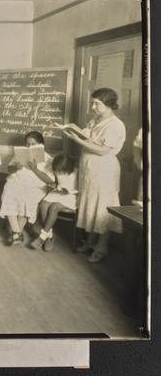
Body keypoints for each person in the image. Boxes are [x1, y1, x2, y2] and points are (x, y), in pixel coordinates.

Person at [59, 87, 126, 263]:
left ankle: (101, 247)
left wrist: (77, 140)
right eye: (93, 102)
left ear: (109, 104)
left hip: (104, 171)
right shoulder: (95, 120)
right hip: (90, 170)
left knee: (103, 208)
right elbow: (89, 139)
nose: (93, 106)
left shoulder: (116, 125)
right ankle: (90, 241)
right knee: (91, 206)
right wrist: (75, 131)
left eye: (97, 103)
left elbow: (104, 150)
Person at [0, 131, 54, 245]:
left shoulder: (48, 159)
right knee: (9, 192)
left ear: (41, 145)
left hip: (36, 185)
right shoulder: (21, 154)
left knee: (27, 197)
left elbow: (49, 180)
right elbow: (9, 170)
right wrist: (16, 167)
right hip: (16, 181)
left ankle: (15, 232)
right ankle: (17, 232)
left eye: (33, 144)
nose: (30, 147)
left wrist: (35, 169)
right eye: (28, 144)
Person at [28, 155, 78, 251]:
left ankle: (42, 237)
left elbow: (80, 188)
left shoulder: (77, 173)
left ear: (69, 168)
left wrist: (69, 192)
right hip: (58, 192)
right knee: (43, 205)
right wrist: (53, 185)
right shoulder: (56, 169)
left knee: (54, 207)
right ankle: (49, 235)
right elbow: (51, 181)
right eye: (57, 171)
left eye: (61, 171)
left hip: (71, 196)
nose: (58, 173)